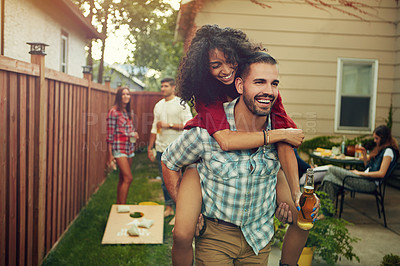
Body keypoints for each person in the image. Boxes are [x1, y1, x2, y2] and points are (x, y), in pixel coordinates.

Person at [164, 25, 318, 266]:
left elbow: (286, 140)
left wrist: (295, 194)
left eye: (230, 63)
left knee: (302, 213)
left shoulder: (267, 96)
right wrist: (274, 136)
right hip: (201, 164)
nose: (225, 70)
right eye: (216, 66)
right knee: (182, 233)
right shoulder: (208, 101)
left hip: (257, 233)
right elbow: (225, 140)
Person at [147, 78, 192, 218]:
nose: (162, 89)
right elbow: (154, 127)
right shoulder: (158, 105)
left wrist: (169, 125)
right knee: (164, 181)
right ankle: (169, 208)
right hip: (161, 149)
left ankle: (181, 210)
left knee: (181, 181)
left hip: (178, 149)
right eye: (161, 86)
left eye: (165, 86)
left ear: (173, 88)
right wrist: (150, 147)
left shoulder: (181, 104)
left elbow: (189, 125)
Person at [319, 125, 399, 203]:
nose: (374, 140)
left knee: (331, 169)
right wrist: (364, 155)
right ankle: (326, 213)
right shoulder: (382, 150)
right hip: (364, 179)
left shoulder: (388, 152)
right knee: (328, 180)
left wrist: (359, 173)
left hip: (369, 184)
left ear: (384, 138)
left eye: (376, 138)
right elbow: (368, 168)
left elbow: (381, 173)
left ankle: (318, 201)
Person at [106, 87, 139, 204]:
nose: (126, 96)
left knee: (122, 178)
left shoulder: (128, 112)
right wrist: (110, 155)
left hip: (129, 148)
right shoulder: (113, 112)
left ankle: (118, 206)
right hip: (119, 148)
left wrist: (134, 134)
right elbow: (110, 135)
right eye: (123, 94)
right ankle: (123, 207)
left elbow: (128, 130)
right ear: (119, 96)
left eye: (128, 94)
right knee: (128, 178)